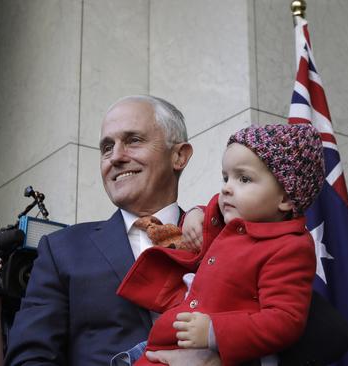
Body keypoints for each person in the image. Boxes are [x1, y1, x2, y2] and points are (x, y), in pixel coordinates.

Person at [5, 95, 223, 365]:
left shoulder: (221, 239)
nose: (116, 157)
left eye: (133, 140)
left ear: (179, 155)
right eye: (107, 147)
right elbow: (30, 358)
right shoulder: (62, 249)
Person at [116, 124, 324, 365]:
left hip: (209, 352)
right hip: (161, 347)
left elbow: (284, 320)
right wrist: (196, 212)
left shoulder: (289, 247)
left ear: (286, 198)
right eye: (226, 177)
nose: (227, 187)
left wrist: (214, 331)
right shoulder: (232, 223)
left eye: (244, 179)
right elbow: (213, 213)